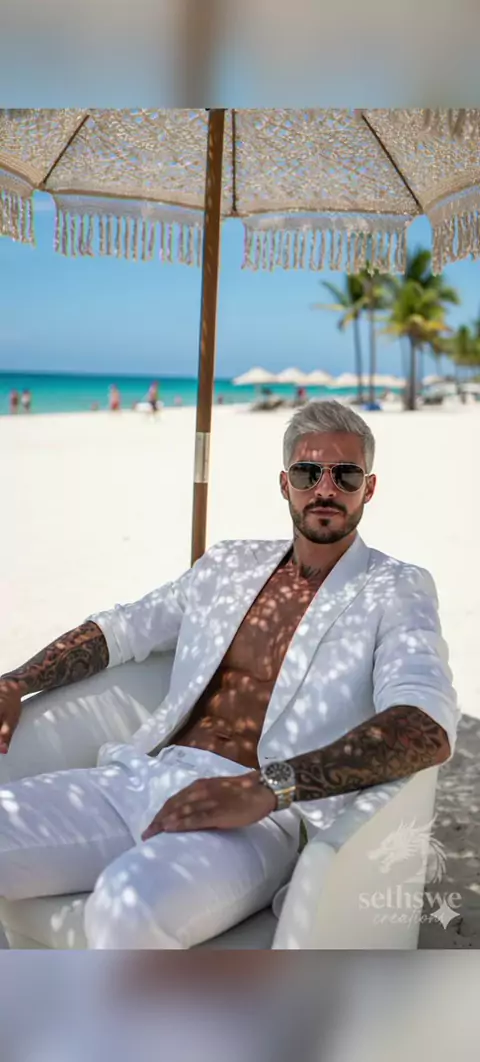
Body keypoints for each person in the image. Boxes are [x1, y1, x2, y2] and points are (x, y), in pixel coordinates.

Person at [0, 401, 459, 949]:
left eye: (346, 475)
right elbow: (123, 629)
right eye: (308, 473)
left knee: (128, 908)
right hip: (144, 776)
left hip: (263, 817)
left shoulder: (396, 587)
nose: (325, 489)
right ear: (285, 484)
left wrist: (270, 787)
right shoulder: (229, 564)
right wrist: (17, 681)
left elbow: (425, 725)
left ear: (370, 488)